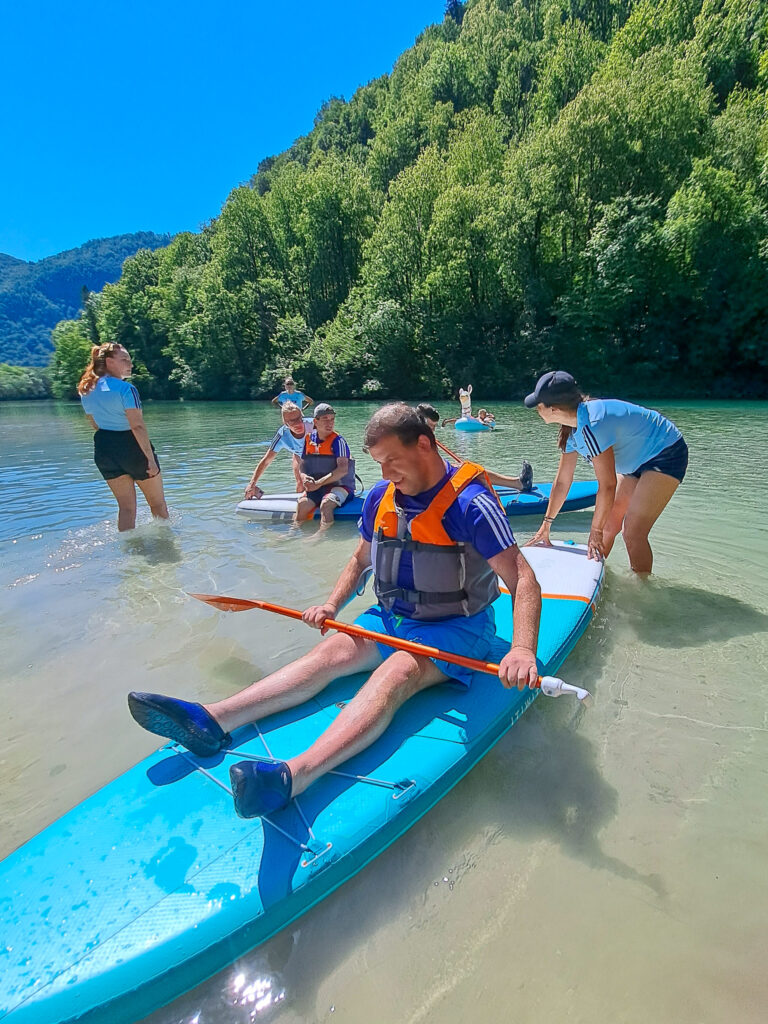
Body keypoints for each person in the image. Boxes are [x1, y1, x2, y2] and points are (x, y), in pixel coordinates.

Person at [127, 403, 541, 818]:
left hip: (458, 627)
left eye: (392, 460)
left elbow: (523, 579)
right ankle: (211, 721)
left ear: (424, 445)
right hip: (392, 617)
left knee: (398, 672)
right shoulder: (381, 497)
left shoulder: (472, 504)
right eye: (378, 463)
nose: (385, 474)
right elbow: (361, 560)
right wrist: (331, 604)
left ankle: (293, 776)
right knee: (329, 653)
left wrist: (522, 649)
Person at [524, 371, 688, 574]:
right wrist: (546, 525)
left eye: (538, 405)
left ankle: (642, 586)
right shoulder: (572, 429)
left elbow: (608, 484)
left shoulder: (594, 425)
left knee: (633, 532)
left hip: (665, 452)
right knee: (608, 524)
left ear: (554, 409)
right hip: (634, 460)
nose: (536, 409)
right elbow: (563, 482)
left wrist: (595, 531)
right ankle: (598, 577)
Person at [77, 343, 169, 532]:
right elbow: (137, 426)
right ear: (109, 362)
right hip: (132, 447)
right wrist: (150, 459)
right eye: (124, 360)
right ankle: (166, 544)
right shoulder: (126, 389)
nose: (130, 364)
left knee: (126, 508)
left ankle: (129, 547)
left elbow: (94, 424)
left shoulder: (86, 389)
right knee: (157, 504)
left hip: (104, 448)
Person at [416, 403, 534, 493]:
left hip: (432, 481)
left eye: (435, 426)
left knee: (470, 469)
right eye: (431, 426)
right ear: (421, 422)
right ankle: (519, 483)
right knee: (472, 471)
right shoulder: (417, 441)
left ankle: (516, 483)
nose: (433, 430)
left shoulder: (420, 437)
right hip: (430, 487)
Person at [296, 403, 356, 526]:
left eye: (332, 419)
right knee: (302, 505)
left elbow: (343, 470)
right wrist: (304, 478)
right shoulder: (308, 439)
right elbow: (302, 466)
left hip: (340, 487)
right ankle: (294, 531)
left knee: (326, 505)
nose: (330, 423)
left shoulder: (338, 441)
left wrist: (318, 483)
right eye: (325, 419)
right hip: (318, 487)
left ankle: (322, 534)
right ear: (315, 421)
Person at [244, 402, 313, 499]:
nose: (298, 424)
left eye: (299, 419)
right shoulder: (282, 435)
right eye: (292, 421)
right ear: (285, 423)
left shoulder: (314, 425)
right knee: (301, 484)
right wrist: (252, 484)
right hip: (299, 456)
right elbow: (266, 460)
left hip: (317, 456)